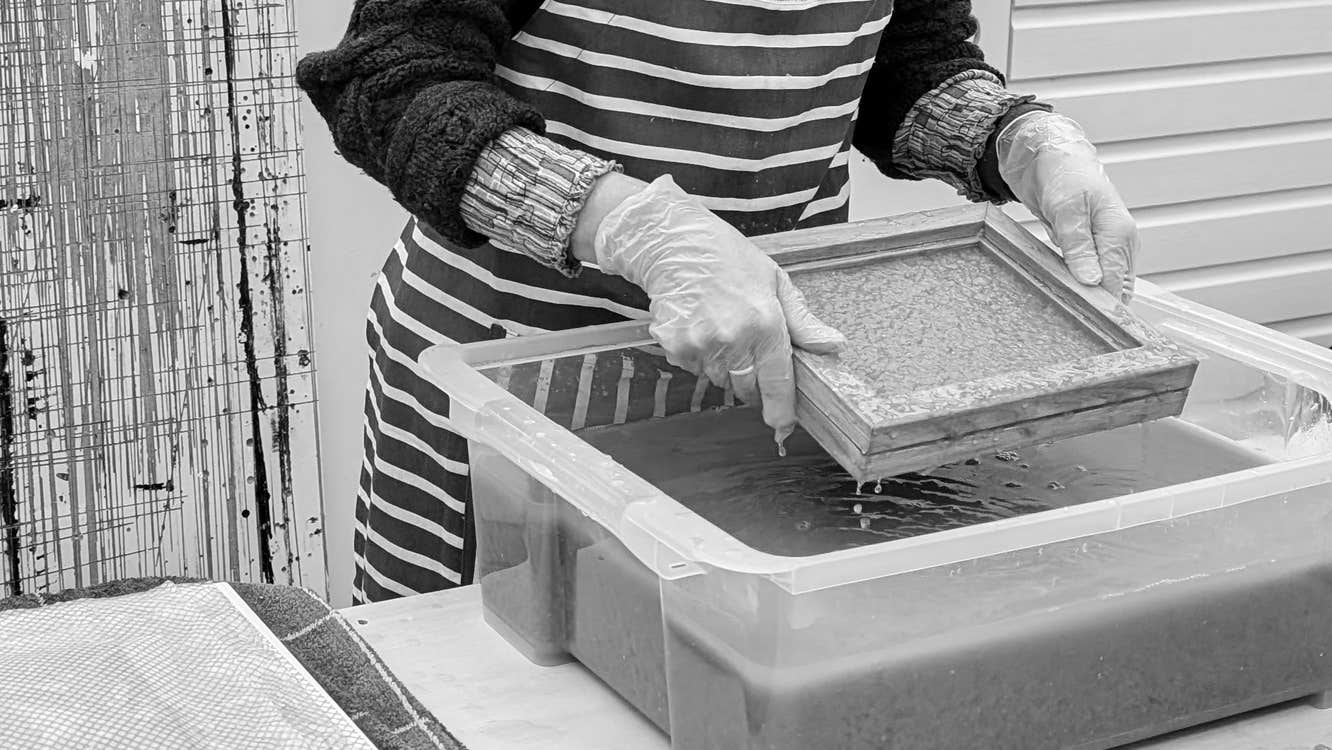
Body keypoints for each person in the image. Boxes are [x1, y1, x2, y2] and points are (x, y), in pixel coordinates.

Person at [298, 0, 1138, 604]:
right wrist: (625, 221)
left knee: (708, 657)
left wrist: (1011, 138)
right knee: (487, 675)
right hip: (509, 373)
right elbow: (388, 78)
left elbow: (906, 67)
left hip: (765, 369)